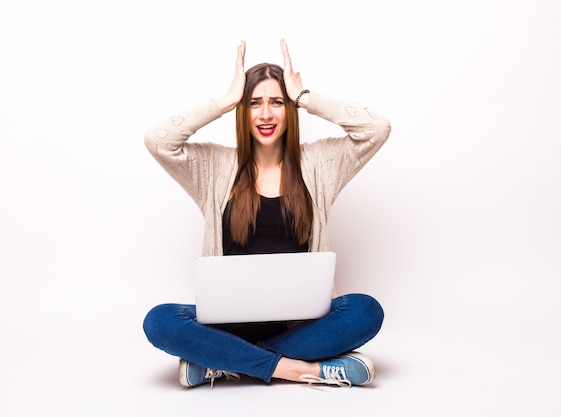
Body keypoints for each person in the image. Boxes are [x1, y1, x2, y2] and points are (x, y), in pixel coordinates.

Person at [142, 39, 391, 388]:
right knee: (159, 321)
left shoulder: (318, 165)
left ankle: (220, 361)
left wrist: (305, 97)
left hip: (299, 326)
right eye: (254, 103)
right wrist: (225, 101)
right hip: (225, 325)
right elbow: (158, 140)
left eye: (277, 102)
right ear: (243, 112)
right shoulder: (214, 167)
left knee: (366, 311)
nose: (265, 114)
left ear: (289, 110)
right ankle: (298, 369)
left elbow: (376, 130)